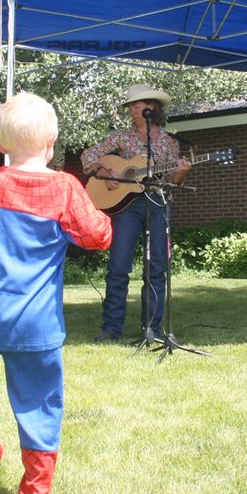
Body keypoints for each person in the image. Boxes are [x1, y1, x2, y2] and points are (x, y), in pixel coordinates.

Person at [0, 92, 112, 494]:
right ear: (52, 140)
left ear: (0, 145)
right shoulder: (65, 188)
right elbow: (98, 237)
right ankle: (35, 492)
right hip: (38, 323)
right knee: (39, 401)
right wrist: (102, 212)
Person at [81, 84, 191, 342]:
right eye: (130, 106)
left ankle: (151, 328)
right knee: (119, 266)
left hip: (157, 203)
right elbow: (89, 155)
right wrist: (105, 171)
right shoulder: (122, 137)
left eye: (136, 105)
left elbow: (172, 179)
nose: (131, 110)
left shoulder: (169, 143)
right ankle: (111, 328)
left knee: (156, 267)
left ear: (151, 108)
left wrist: (183, 171)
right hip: (127, 207)